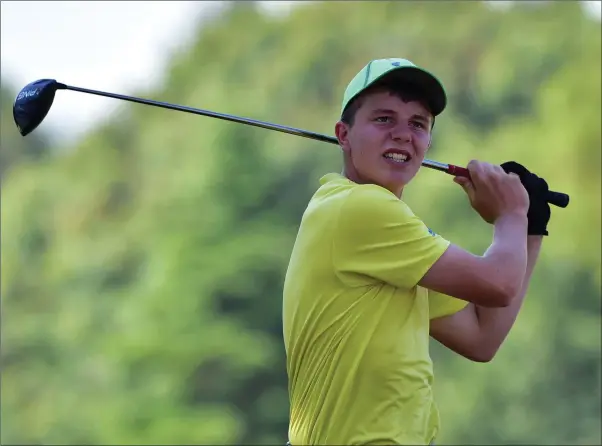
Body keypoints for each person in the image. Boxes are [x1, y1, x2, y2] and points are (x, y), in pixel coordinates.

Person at [282, 58, 553, 445]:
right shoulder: (358, 208)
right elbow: (499, 284)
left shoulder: (397, 241)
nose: (402, 135)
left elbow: (481, 338)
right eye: (383, 119)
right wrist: (510, 213)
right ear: (344, 134)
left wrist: (529, 228)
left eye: (417, 124)